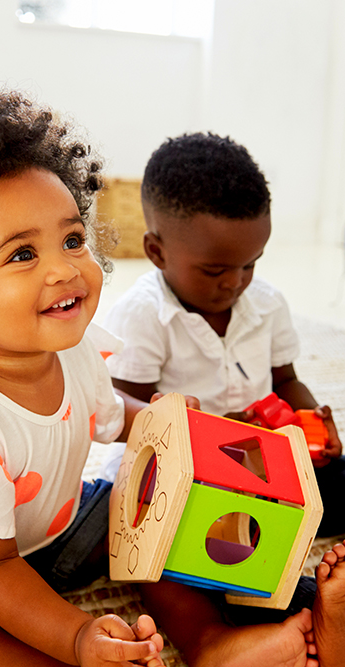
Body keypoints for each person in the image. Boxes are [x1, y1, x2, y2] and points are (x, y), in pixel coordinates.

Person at [0, 86, 343, 667]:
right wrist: (78, 637)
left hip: (62, 520)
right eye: (22, 255)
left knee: (171, 516)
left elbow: (113, 415)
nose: (64, 267)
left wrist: (175, 427)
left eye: (72, 239)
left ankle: (235, 635)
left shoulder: (75, 351)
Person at [102, 132, 345, 538]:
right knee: (189, 534)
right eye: (215, 271)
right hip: (178, 471)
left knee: (337, 483)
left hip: (262, 462)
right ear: (157, 251)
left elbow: (285, 379)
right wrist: (219, 436)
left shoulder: (267, 304)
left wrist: (313, 421)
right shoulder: (143, 315)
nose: (235, 283)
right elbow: (129, 416)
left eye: (250, 265)